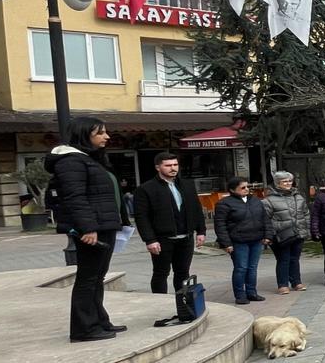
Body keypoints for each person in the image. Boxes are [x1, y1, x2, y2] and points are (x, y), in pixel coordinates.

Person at [47, 119, 126, 341]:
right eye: (100, 132)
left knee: (97, 277)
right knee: (88, 278)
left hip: (104, 225)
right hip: (93, 228)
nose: (107, 136)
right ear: (84, 134)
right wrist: (87, 228)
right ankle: (84, 329)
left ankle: (100, 321)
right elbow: (75, 198)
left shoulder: (89, 159)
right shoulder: (70, 161)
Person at [134, 150, 206, 296]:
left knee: (183, 272)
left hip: (185, 237)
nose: (173, 168)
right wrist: (150, 239)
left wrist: (201, 231)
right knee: (161, 273)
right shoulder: (146, 189)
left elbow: (196, 208)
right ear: (158, 167)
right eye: (168, 165)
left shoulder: (187, 185)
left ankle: (183, 303)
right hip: (162, 239)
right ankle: (160, 303)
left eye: (175, 164)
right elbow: (141, 217)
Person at [214, 177, 269, 304]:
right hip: (238, 241)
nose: (246, 189)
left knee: (252, 267)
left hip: (255, 239)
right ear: (233, 190)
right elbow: (220, 225)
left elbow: (265, 219)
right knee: (241, 268)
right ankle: (240, 295)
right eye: (243, 187)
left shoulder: (255, 201)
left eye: (247, 187)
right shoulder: (224, 203)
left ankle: (252, 292)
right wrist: (226, 243)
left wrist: (268, 235)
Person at [262, 171, 310, 293]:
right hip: (281, 235)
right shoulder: (268, 200)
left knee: (295, 258)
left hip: (298, 233)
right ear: (278, 183)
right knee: (283, 259)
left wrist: (306, 229)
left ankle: (296, 282)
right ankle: (282, 285)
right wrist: (272, 234)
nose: (288, 183)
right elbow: (265, 219)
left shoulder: (299, 197)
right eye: (285, 181)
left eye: (289, 181)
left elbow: (306, 214)